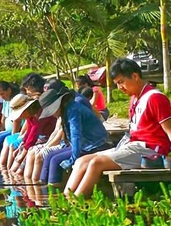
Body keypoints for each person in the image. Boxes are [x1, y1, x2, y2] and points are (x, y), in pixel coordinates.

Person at [65, 58, 171, 198]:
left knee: (96, 163)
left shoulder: (155, 98)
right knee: (82, 161)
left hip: (150, 150)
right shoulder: (135, 98)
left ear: (135, 76)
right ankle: (64, 200)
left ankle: (75, 204)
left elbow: (169, 130)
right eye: (117, 84)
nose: (120, 88)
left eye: (121, 82)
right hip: (132, 145)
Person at [37, 87, 111, 185]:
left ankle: (53, 192)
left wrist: (72, 159)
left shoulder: (73, 110)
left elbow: (76, 136)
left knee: (55, 161)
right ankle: (43, 189)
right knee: (49, 157)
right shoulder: (66, 110)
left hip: (96, 145)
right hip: (84, 145)